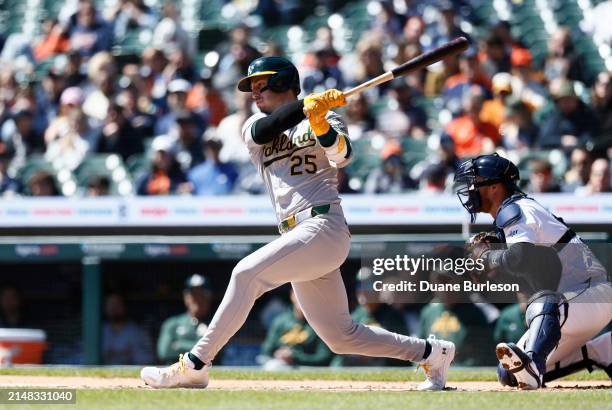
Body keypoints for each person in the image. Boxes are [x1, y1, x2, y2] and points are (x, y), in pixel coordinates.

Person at [141, 55, 455, 391]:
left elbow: (343, 156)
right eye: (252, 87)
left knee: (245, 274)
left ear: (282, 82)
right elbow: (267, 128)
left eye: (261, 84)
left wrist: (319, 120)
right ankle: (432, 352)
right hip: (298, 236)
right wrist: (307, 105)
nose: (254, 93)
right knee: (341, 336)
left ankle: (196, 363)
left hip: (323, 225)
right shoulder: (252, 127)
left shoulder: (326, 116)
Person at [453, 153, 612, 389]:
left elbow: (519, 258)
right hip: (572, 305)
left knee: (541, 307)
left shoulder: (515, 208)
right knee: (509, 374)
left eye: (475, 183)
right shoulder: (511, 213)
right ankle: (602, 350)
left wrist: (489, 257)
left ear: (495, 186)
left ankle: (534, 369)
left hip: (591, 293)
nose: (471, 190)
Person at [260, 289, 333, 369]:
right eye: (299, 294)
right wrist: (280, 354)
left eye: (307, 295)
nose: (302, 298)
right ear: (292, 295)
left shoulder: (320, 323)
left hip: (308, 368)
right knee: (273, 366)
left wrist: (295, 357)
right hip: (282, 365)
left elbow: (325, 358)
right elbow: (266, 351)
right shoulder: (280, 321)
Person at [157, 274, 213, 364]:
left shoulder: (216, 323)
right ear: (186, 297)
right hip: (175, 373)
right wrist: (201, 348)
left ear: (209, 296)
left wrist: (178, 344)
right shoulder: (172, 323)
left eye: (201, 294)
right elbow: (164, 352)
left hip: (208, 373)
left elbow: (216, 352)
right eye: (194, 294)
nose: (198, 298)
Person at [102, 292, 154, 365]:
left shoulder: (138, 331)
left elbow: (149, 359)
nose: (114, 308)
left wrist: (130, 353)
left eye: (117, 304)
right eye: (110, 305)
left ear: (124, 306)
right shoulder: (98, 331)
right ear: (105, 308)